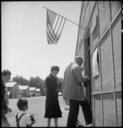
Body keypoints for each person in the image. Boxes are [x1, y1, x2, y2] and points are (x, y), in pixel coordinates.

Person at [63, 56, 93, 127]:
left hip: (70, 93)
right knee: (85, 107)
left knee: (73, 111)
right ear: (79, 61)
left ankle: (72, 125)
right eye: (81, 62)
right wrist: (86, 78)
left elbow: (75, 73)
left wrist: (82, 68)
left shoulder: (68, 67)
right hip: (76, 93)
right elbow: (80, 80)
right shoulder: (76, 67)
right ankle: (89, 123)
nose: (81, 64)